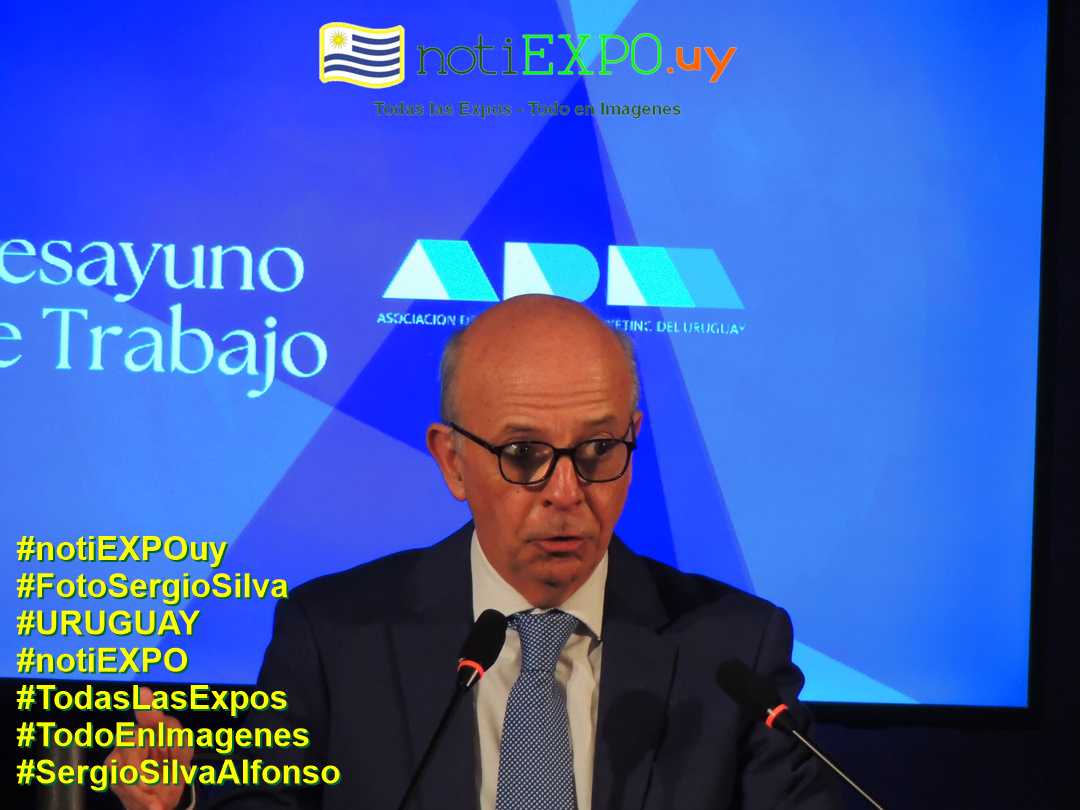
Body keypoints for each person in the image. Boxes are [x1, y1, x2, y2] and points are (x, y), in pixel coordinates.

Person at [111, 294, 841, 810]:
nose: (566, 492)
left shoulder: (735, 650)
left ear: (633, 437)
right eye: (524, 455)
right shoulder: (334, 636)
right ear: (453, 461)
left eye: (597, 449)